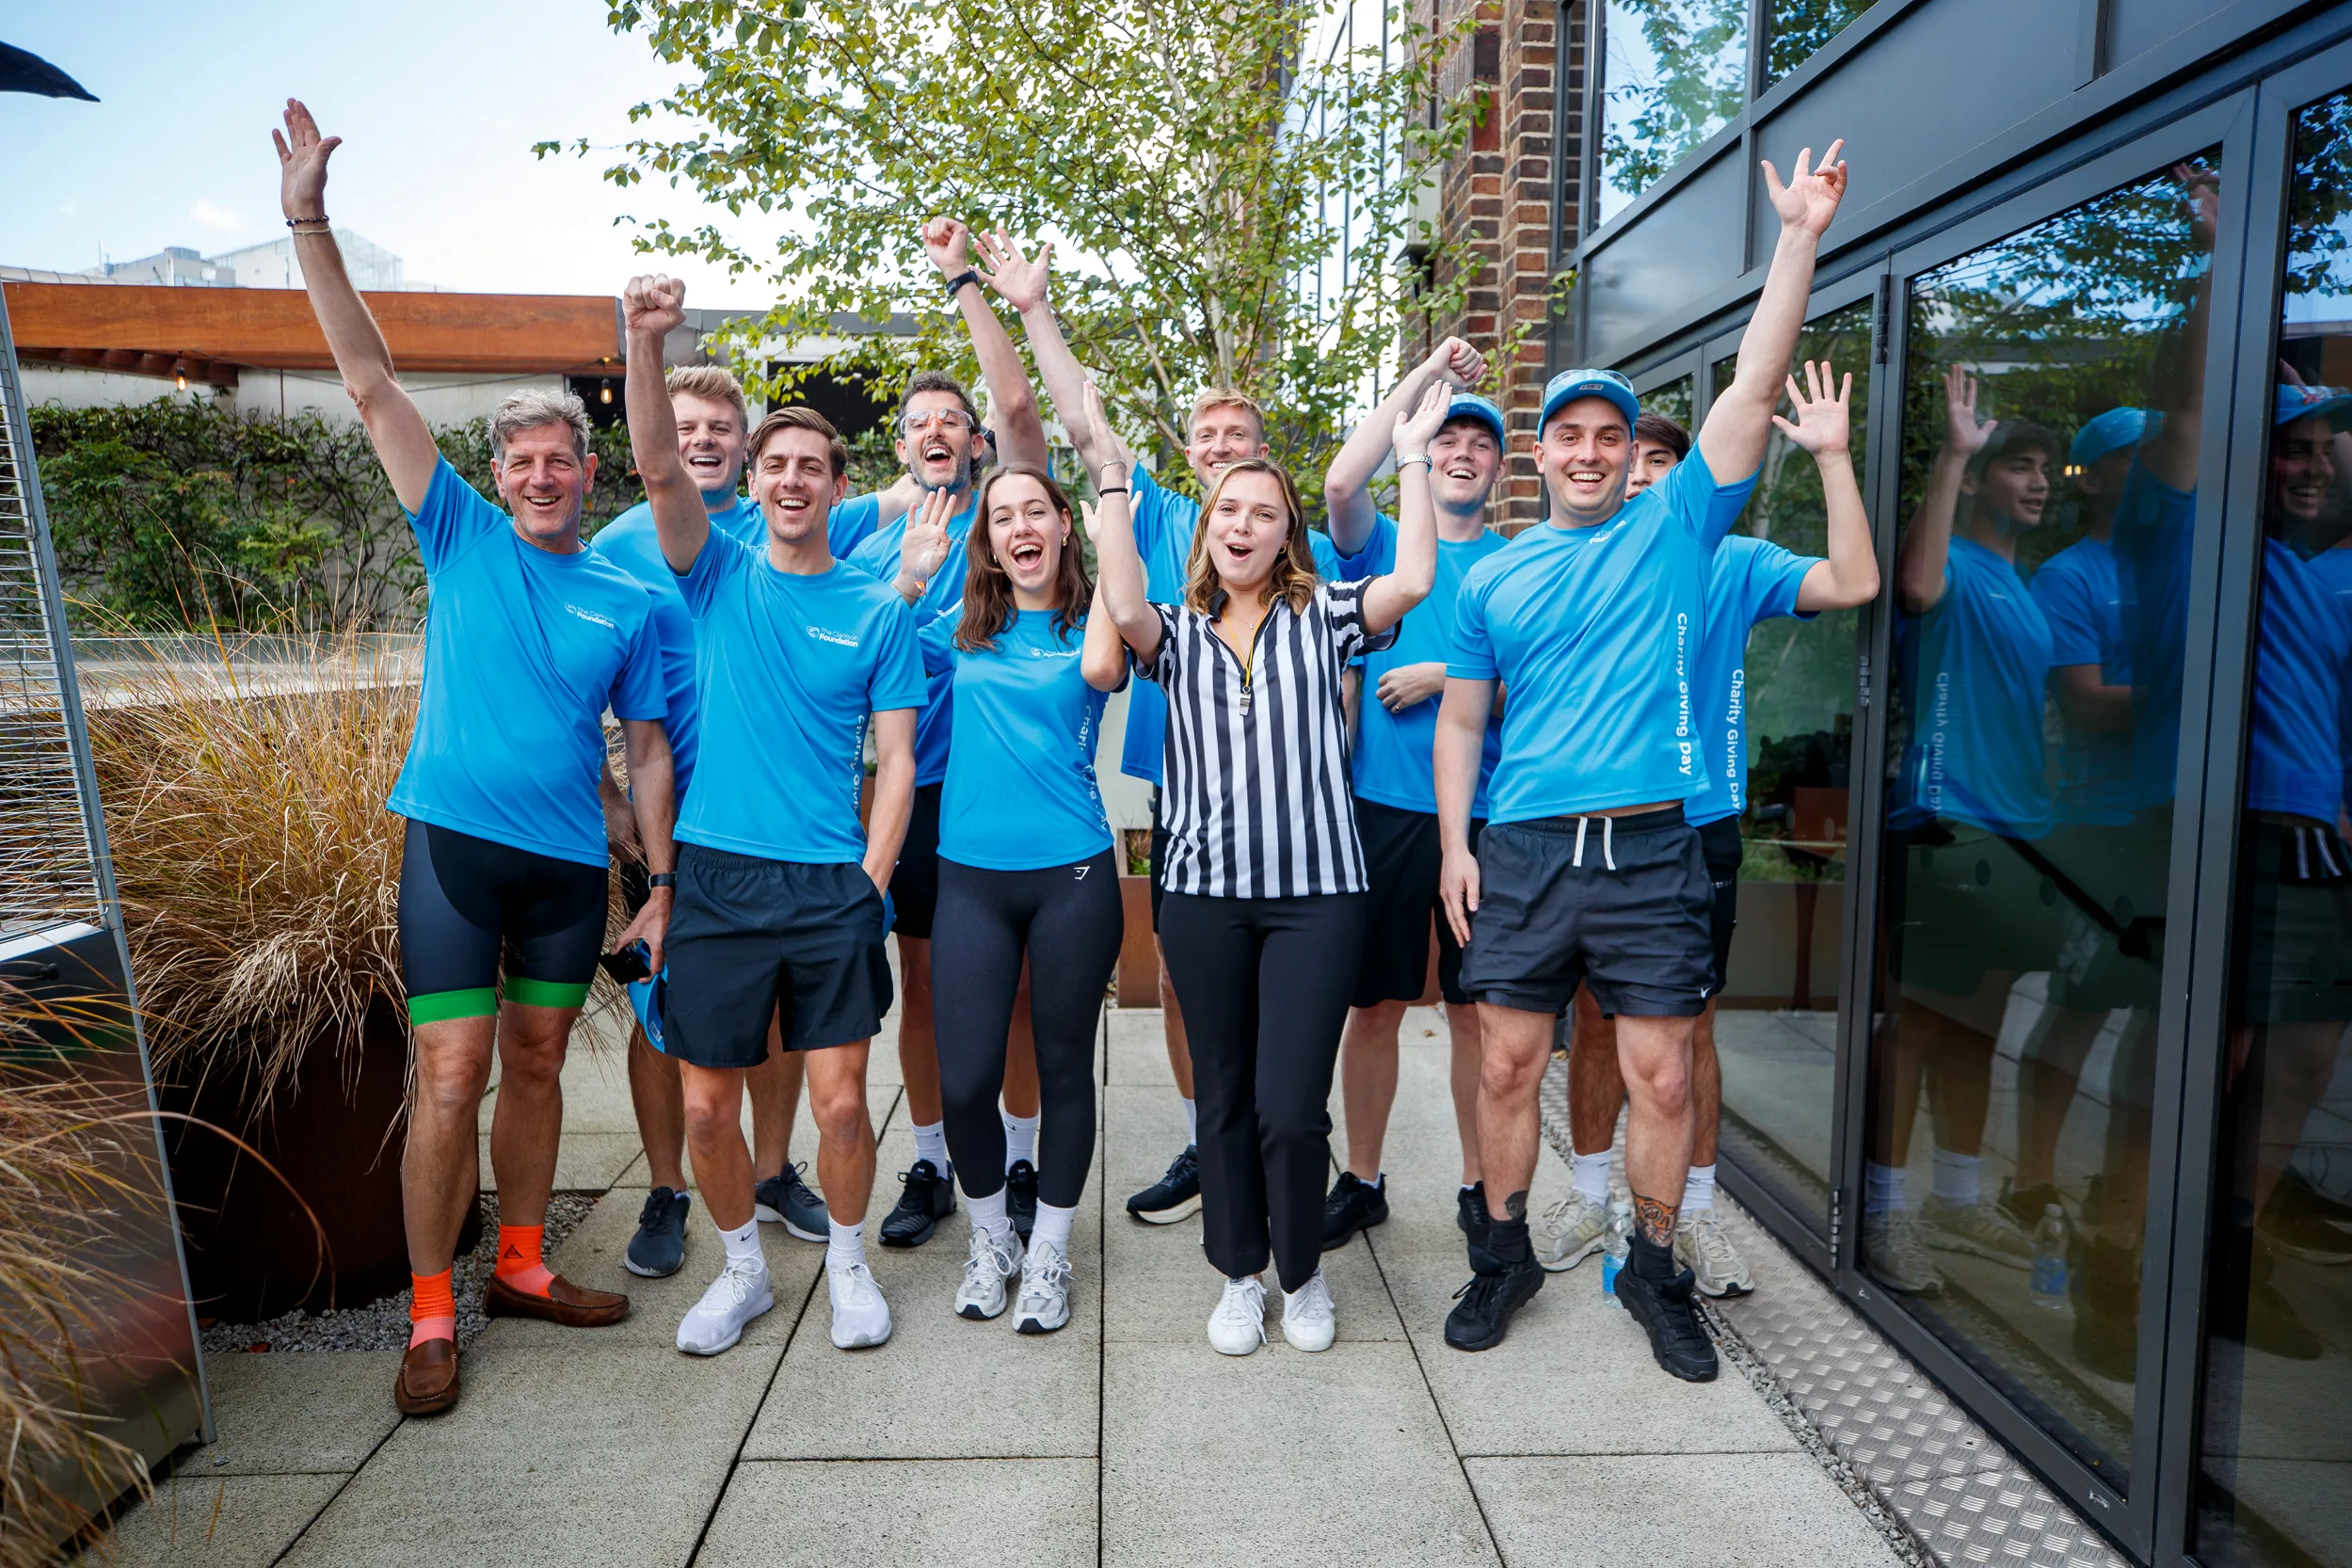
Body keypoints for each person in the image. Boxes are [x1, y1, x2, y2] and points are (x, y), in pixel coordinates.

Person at [274, 102, 675, 1416]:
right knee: (451, 1070)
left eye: (563, 457)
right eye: (523, 456)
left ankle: (519, 1266)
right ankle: (431, 1307)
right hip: (452, 847)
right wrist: (308, 223)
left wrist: (653, 873)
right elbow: (369, 380)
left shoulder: (624, 599)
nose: (544, 472)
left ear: (587, 471)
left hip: (566, 866)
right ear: (496, 472)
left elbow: (638, 751)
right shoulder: (456, 535)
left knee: (544, 1062)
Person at [1436, 140, 1850, 1374]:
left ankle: (1654, 1265)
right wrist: (1453, 846)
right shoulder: (1495, 574)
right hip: (1520, 852)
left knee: (1662, 1079)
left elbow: (1751, 380)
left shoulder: (1676, 529)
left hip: (1654, 847)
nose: (1583, 450)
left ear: (1626, 453)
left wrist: (1797, 238)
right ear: (1538, 450)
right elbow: (1461, 721)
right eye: (1562, 433)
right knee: (1509, 1060)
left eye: (1604, 435)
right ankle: (1500, 1252)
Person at [975, 231, 1371, 1224]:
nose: (1223, 451)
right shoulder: (1151, 513)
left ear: (1263, 459)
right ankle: (1212, 1139)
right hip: (1178, 780)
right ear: (1190, 455)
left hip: (1292, 802)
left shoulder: (1290, 541)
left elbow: (1340, 659)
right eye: (1209, 439)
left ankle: (1288, 1141)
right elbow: (1077, 422)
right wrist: (1032, 306)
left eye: (1242, 439)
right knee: (1193, 986)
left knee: (1291, 989)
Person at [1092, 376, 1440, 1354]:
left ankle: (1302, 1271)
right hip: (1202, 900)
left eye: (1264, 511)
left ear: (1287, 531)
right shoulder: (1179, 631)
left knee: (1292, 1109)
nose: (1243, 523)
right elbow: (1120, 599)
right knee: (1227, 1102)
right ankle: (1240, 1273)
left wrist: (1410, 452)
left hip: (1317, 900)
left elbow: (1411, 580)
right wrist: (1112, 480)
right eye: (1227, 511)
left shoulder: (1326, 613)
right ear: (1207, 530)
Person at [621, 271, 927, 1355]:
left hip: (827, 882)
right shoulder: (716, 571)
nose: (793, 478)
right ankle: (742, 1269)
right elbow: (659, 461)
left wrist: (873, 880)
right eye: (776, 463)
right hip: (715, 874)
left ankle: (847, 1267)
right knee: (708, 1109)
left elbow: (896, 762)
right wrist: (645, 343)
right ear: (750, 481)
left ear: (839, 485)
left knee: (843, 1106)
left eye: (812, 465)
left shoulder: (877, 610)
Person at [1549, 370, 1880, 1301]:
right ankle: (1586, 1195)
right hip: (1595, 825)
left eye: (1667, 462)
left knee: (1689, 1029)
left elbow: (1855, 581)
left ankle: (1691, 1217)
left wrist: (1833, 457)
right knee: (1595, 1020)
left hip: (1699, 826)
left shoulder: (1728, 561)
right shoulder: (1581, 561)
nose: (1648, 478)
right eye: (1637, 463)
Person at [590, 364, 886, 1275]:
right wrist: (616, 800)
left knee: (790, 1023)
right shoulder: (640, 542)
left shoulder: (776, 537)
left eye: (723, 424)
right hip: (674, 820)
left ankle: (770, 1172)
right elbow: (580, 663)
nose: (705, 439)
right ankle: (670, 1187)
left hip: (798, 840)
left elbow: (909, 486)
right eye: (690, 426)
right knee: (668, 1020)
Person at [846, 218, 1055, 1251]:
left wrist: (967, 282)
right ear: (899, 443)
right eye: (918, 421)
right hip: (913, 792)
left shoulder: (1005, 513)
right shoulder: (868, 532)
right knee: (921, 987)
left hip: (1007, 789)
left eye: (953, 420)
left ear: (973, 441)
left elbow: (1019, 401)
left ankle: (1019, 1159)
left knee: (1014, 987)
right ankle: (931, 1160)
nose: (938, 430)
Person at [1865, 368, 2061, 1296]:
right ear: (1984, 479)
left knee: (1979, 1027)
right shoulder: (1955, 566)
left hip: (2020, 836)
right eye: (2018, 465)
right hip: (1946, 824)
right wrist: (1953, 452)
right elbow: (1911, 583)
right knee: (1918, 1027)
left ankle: (1956, 1195)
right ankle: (1882, 1206)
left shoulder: (2024, 586)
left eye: (2043, 469)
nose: (2036, 480)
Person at [923, 458, 1128, 1334]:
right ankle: (989, 1239)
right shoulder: (960, 632)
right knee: (964, 1082)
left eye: (1036, 512)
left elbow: (1105, 669)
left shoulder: (1096, 625)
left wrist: (1106, 515)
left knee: (1061, 1073)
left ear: (1060, 526)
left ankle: (1047, 1250)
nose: (1020, 528)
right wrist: (906, 573)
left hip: (1072, 878)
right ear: (988, 543)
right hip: (969, 878)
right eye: (1002, 518)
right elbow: (870, 641)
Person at [1314, 339, 1500, 1254]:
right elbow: (1344, 482)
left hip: (1487, 817)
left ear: (1499, 467)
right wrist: (1425, 376)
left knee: (1476, 1010)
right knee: (1375, 1005)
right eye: (1448, 440)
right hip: (1382, 805)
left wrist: (1444, 670)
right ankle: (1364, 1177)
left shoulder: (1517, 561)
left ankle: (1477, 1183)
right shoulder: (1383, 544)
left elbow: (1551, 679)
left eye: (1479, 444)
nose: (1461, 453)